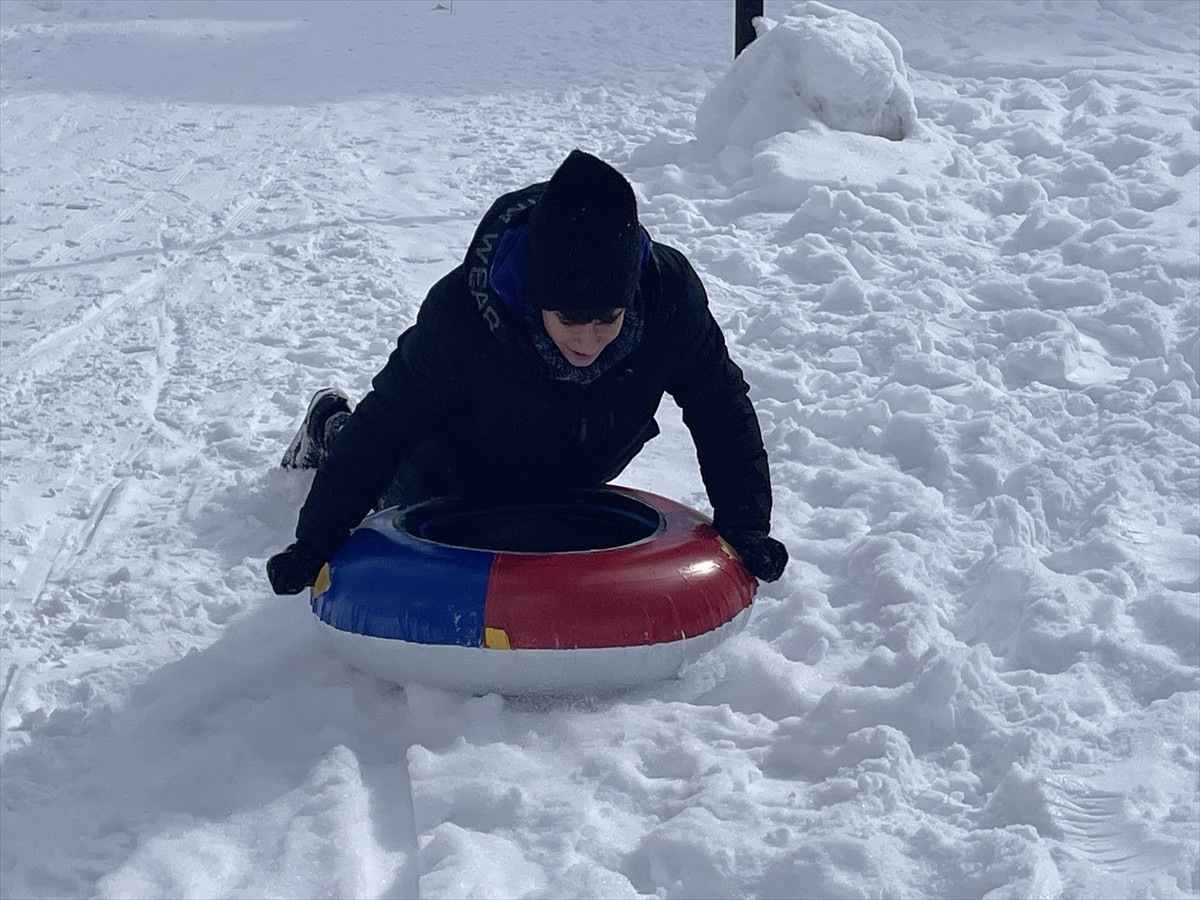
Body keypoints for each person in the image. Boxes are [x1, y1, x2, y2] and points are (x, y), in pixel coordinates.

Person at [267, 149, 787, 594]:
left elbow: (719, 406)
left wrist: (745, 526)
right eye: (570, 320)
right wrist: (315, 541)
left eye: (608, 318)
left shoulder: (669, 297)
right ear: (536, 299)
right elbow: (385, 425)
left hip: (578, 459)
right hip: (449, 469)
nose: (589, 341)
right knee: (395, 485)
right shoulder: (462, 314)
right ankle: (327, 423)